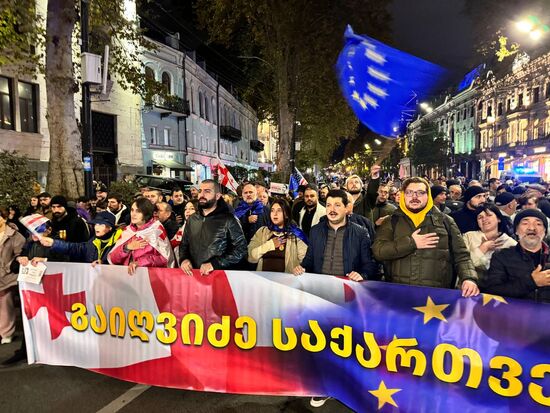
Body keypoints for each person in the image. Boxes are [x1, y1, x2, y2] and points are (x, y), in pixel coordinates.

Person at [372, 177, 479, 295]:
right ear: (403, 195)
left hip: (436, 298)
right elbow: (378, 252)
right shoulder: (391, 221)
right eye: (409, 192)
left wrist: (469, 278)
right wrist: (412, 243)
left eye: (420, 193)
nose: (414, 197)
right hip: (399, 295)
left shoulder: (446, 221)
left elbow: (462, 255)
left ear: (428, 195)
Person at [293, 189, 378, 281]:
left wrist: (362, 275)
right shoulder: (315, 231)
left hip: (348, 288)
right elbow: (309, 260)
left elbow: (369, 264)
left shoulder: (361, 233)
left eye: (337, 205)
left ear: (346, 208)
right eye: (328, 205)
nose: (332, 209)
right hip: (319, 287)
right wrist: (302, 268)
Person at [179, 180, 247, 276]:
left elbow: (241, 249)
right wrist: (184, 259)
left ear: (218, 196)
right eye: (200, 191)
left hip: (218, 277)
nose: (202, 195)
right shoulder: (192, 219)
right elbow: (184, 244)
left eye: (207, 191)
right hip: (194, 276)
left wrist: (215, 264)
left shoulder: (229, 220)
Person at [486, 209, 550, 302]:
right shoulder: (502, 257)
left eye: (538, 224)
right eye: (525, 223)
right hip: (515, 315)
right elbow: (493, 291)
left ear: (545, 232)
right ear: (516, 230)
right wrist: (532, 282)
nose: (531, 228)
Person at [108, 197, 175, 274]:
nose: (133, 214)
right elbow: (113, 259)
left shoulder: (157, 230)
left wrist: (139, 263)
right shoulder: (127, 231)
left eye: (138, 211)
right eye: (132, 210)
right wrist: (127, 248)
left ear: (146, 213)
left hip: (149, 280)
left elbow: (165, 259)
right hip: (125, 278)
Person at [248, 198, 308, 273]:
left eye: (279, 210)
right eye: (272, 210)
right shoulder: (262, 231)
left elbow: (305, 261)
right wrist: (270, 245)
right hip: (263, 280)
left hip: (286, 281)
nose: (275, 214)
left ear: (286, 214)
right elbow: (251, 257)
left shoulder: (296, 234)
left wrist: (300, 268)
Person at [463, 205, 517, 287]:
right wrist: (483, 248)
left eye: (489, 215)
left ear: (499, 219)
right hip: (469, 286)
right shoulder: (468, 237)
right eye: (480, 217)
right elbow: (463, 264)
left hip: (498, 290)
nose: (484, 219)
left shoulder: (511, 243)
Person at [39, 211, 123, 264]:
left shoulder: (120, 242)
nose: (97, 228)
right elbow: (75, 248)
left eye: (101, 225)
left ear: (110, 227)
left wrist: (104, 263)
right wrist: (54, 243)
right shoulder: (93, 241)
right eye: (96, 224)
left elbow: (120, 261)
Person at [0, 208, 25, 345]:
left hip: (7, 275)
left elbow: (19, 253)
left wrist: (10, 265)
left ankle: (6, 333)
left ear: (4, 218)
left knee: (6, 305)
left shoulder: (15, 235)